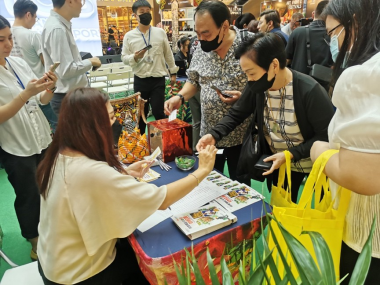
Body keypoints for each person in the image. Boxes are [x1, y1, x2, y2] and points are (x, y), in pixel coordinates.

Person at [36, 88, 218, 285]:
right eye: (111, 117)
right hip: (79, 274)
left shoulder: (59, 154)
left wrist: (125, 172)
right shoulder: (92, 172)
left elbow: (85, 188)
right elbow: (162, 200)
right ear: (91, 125)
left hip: (52, 262)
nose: (115, 123)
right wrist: (202, 171)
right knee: (155, 261)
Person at [197, 33, 335, 203]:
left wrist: (290, 154)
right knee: (281, 210)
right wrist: (214, 135)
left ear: (274, 65)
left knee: (311, 218)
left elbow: (326, 136)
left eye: (252, 73)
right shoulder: (259, 86)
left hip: (311, 168)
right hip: (278, 165)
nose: (249, 80)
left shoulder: (309, 91)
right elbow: (237, 113)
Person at [310, 0, 380, 284]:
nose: (333, 43)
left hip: (366, 237)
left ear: (355, 22)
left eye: (333, 33)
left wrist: (320, 151)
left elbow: (363, 174)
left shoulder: (364, 77)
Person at [164, 0, 252, 184]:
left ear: (225, 26)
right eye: (197, 33)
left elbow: (265, 86)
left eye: (206, 33)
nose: (201, 38)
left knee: (241, 184)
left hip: (242, 134)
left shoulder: (249, 44)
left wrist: (243, 98)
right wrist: (180, 96)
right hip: (209, 135)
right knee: (209, 181)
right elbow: (194, 81)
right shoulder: (199, 47)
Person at [0, 15, 58, 261]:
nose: (8, 44)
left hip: (40, 137)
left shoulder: (16, 64)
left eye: (10, 38)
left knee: (48, 187)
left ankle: (51, 232)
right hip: (15, 145)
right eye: (1, 40)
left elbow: (38, 101)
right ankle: (35, 243)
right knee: (28, 195)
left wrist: (49, 89)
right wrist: (25, 94)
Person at [122, 0, 178, 135]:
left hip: (158, 79)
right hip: (140, 79)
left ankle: (164, 141)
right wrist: (134, 57)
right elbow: (124, 58)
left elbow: (168, 54)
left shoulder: (160, 33)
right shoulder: (129, 36)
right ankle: (141, 143)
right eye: (142, 12)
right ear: (135, 15)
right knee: (142, 113)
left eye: (148, 11)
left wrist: (173, 72)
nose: (146, 14)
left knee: (159, 111)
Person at [41, 0, 102, 116]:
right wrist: (90, 62)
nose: (82, 5)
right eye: (81, 1)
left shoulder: (60, 25)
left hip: (70, 96)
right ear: (70, 1)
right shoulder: (57, 29)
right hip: (68, 98)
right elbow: (65, 70)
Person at [11, 0, 58, 132]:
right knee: (58, 124)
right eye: (35, 17)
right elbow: (46, 62)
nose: (34, 21)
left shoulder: (6, 34)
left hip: (18, 92)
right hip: (40, 89)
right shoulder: (32, 35)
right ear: (28, 15)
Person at [286, 1, 333, 77]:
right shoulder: (334, 34)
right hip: (325, 84)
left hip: (299, 82)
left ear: (313, 14)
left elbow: (287, 60)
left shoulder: (297, 32)